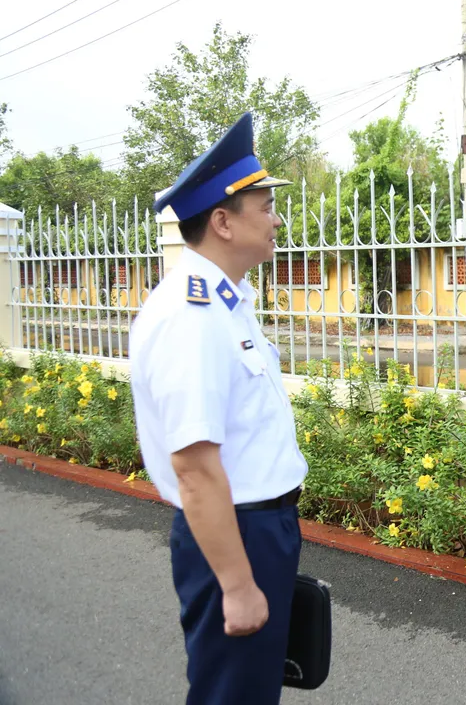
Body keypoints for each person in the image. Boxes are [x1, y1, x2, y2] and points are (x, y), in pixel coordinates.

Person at [130, 112, 308, 704]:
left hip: (259, 526)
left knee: (249, 689)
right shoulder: (191, 315)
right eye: (264, 206)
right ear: (224, 221)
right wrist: (237, 584)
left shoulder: (225, 303)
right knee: (232, 694)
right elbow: (195, 467)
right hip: (237, 533)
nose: (276, 217)